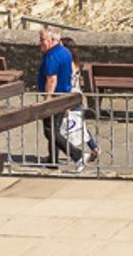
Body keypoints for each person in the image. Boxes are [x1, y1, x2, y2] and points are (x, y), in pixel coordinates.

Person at [36, 28, 83, 168]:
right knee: (54, 129)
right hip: (64, 95)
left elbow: (52, 79)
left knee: (49, 131)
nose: (40, 43)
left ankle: (77, 155)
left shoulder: (52, 56)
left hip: (55, 97)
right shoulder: (65, 52)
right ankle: (53, 160)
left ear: (52, 40)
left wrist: (47, 98)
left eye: (43, 40)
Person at [60, 36, 100, 165]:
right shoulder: (76, 63)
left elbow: (67, 83)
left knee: (61, 128)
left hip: (70, 97)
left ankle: (69, 153)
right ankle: (94, 147)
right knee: (80, 124)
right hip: (78, 95)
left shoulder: (67, 64)